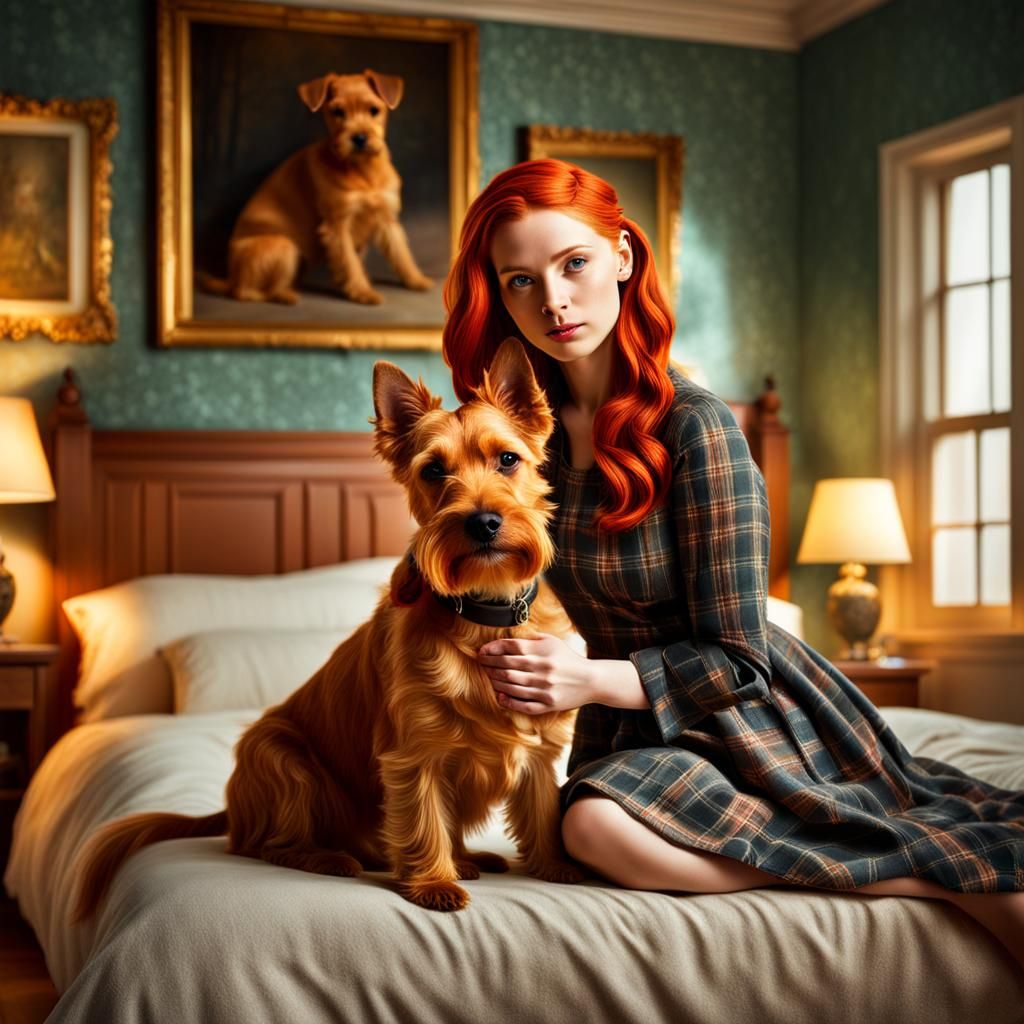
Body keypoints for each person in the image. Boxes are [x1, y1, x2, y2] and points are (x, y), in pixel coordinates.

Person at [441, 158, 1024, 969]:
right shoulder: (517, 443)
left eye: (573, 264)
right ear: (498, 298)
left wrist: (585, 679)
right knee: (587, 827)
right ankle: (907, 876)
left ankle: (930, 878)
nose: (554, 300)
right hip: (630, 735)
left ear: (622, 257)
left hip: (753, 716)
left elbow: (742, 655)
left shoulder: (697, 427)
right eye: (520, 281)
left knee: (593, 825)